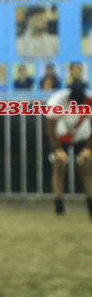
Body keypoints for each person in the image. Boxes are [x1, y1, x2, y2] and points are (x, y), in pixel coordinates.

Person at [44, 79, 92, 217]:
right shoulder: (56, 102)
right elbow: (50, 127)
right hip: (60, 135)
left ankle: (90, 204)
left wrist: (88, 148)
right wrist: (57, 149)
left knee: (86, 167)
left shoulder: (90, 100)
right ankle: (59, 205)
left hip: (82, 135)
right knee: (59, 166)